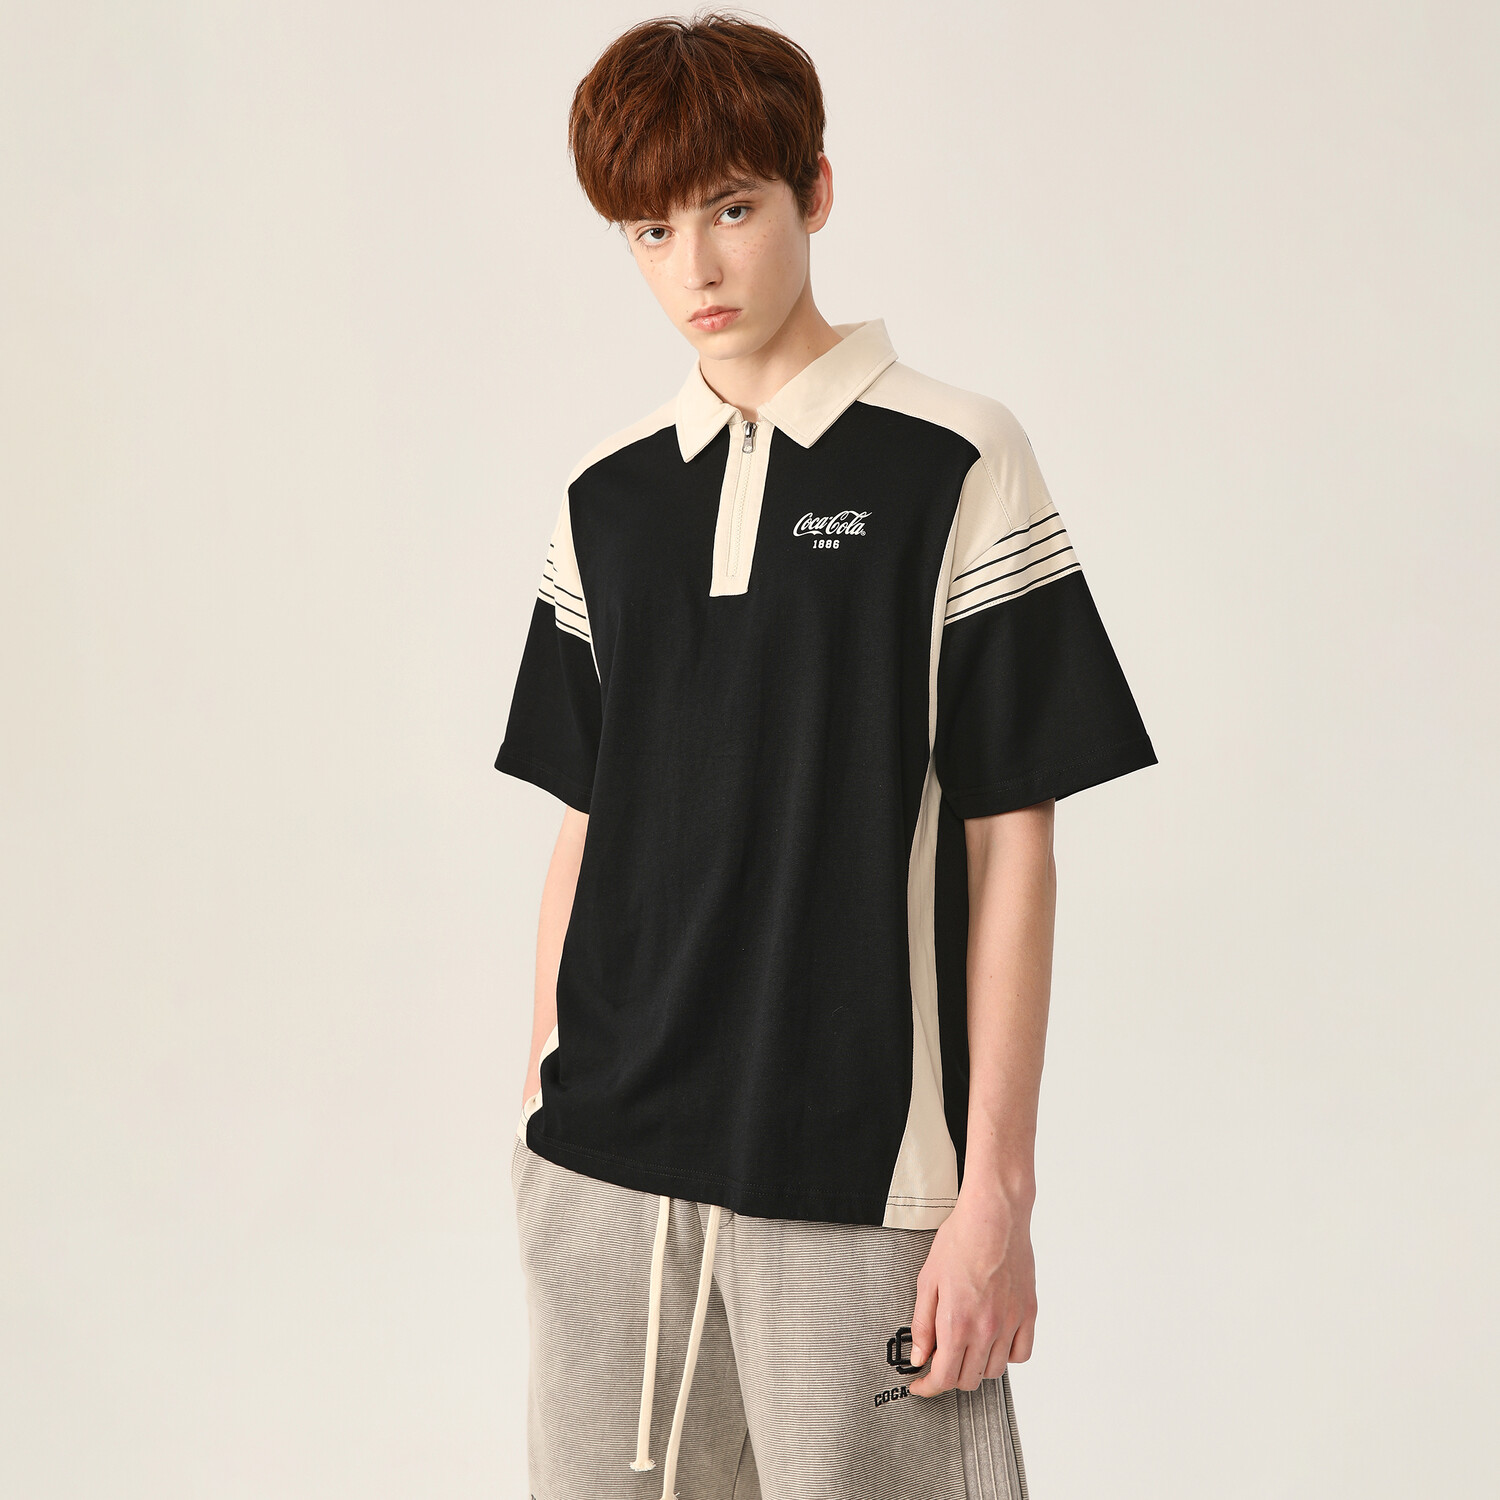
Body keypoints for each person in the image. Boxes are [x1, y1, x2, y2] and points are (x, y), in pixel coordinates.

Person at [492, 14, 1156, 1499]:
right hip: (604, 1173)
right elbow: (588, 818)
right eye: (652, 230)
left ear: (816, 192)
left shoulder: (956, 461)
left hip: (862, 1178)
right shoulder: (605, 498)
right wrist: (539, 1088)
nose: (697, 267)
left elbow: (1013, 837)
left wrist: (994, 1194)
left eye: (732, 208)